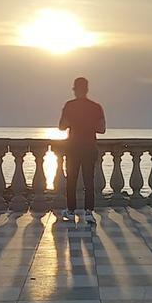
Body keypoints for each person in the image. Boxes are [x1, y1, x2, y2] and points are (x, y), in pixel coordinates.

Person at [57, 76, 106, 218]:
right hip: (90, 147)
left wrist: (73, 122)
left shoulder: (69, 106)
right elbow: (102, 129)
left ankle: (71, 211)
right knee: (88, 181)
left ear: (74, 90)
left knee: (71, 180)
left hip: (73, 147)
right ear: (87, 89)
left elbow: (61, 126)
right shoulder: (96, 107)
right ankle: (89, 212)